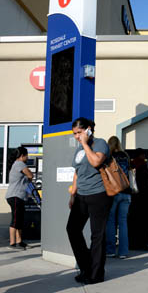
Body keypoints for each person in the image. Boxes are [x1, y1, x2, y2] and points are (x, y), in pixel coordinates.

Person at [66, 117, 113, 285]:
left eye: (79, 133)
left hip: (99, 195)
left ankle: (96, 273)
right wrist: (73, 194)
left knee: (97, 235)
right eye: (75, 134)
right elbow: (77, 172)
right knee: (72, 229)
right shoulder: (79, 149)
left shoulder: (100, 144)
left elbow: (95, 161)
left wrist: (85, 144)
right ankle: (87, 267)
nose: (77, 136)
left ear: (89, 129)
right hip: (81, 196)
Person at [105, 136, 132, 259]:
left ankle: (110, 250)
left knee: (110, 221)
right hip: (126, 192)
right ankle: (123, 252)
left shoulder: (108, 157)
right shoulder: (125, 156)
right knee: (123, 223)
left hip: (113, 192)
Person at [128, 148, 148, 251]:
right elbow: (144, 182)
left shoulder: (131, 165)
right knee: (147, 221)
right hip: (145, 198)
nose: (145, 157)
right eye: (143, 155)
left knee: (134, 222)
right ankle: (143, 243)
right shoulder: (142, 166)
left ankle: (133, 243)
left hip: (134, 198)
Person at [5, 147, 33, 250]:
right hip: (15, 196)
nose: (28, 157)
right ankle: (12, 243)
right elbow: (30, 174)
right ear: (22, 156)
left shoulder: (16, 164)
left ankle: (19, 241)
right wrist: (29, 178)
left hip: (17, 196)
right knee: (16, 220)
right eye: (27, 155)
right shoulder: (20, 164)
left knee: (19, 220)